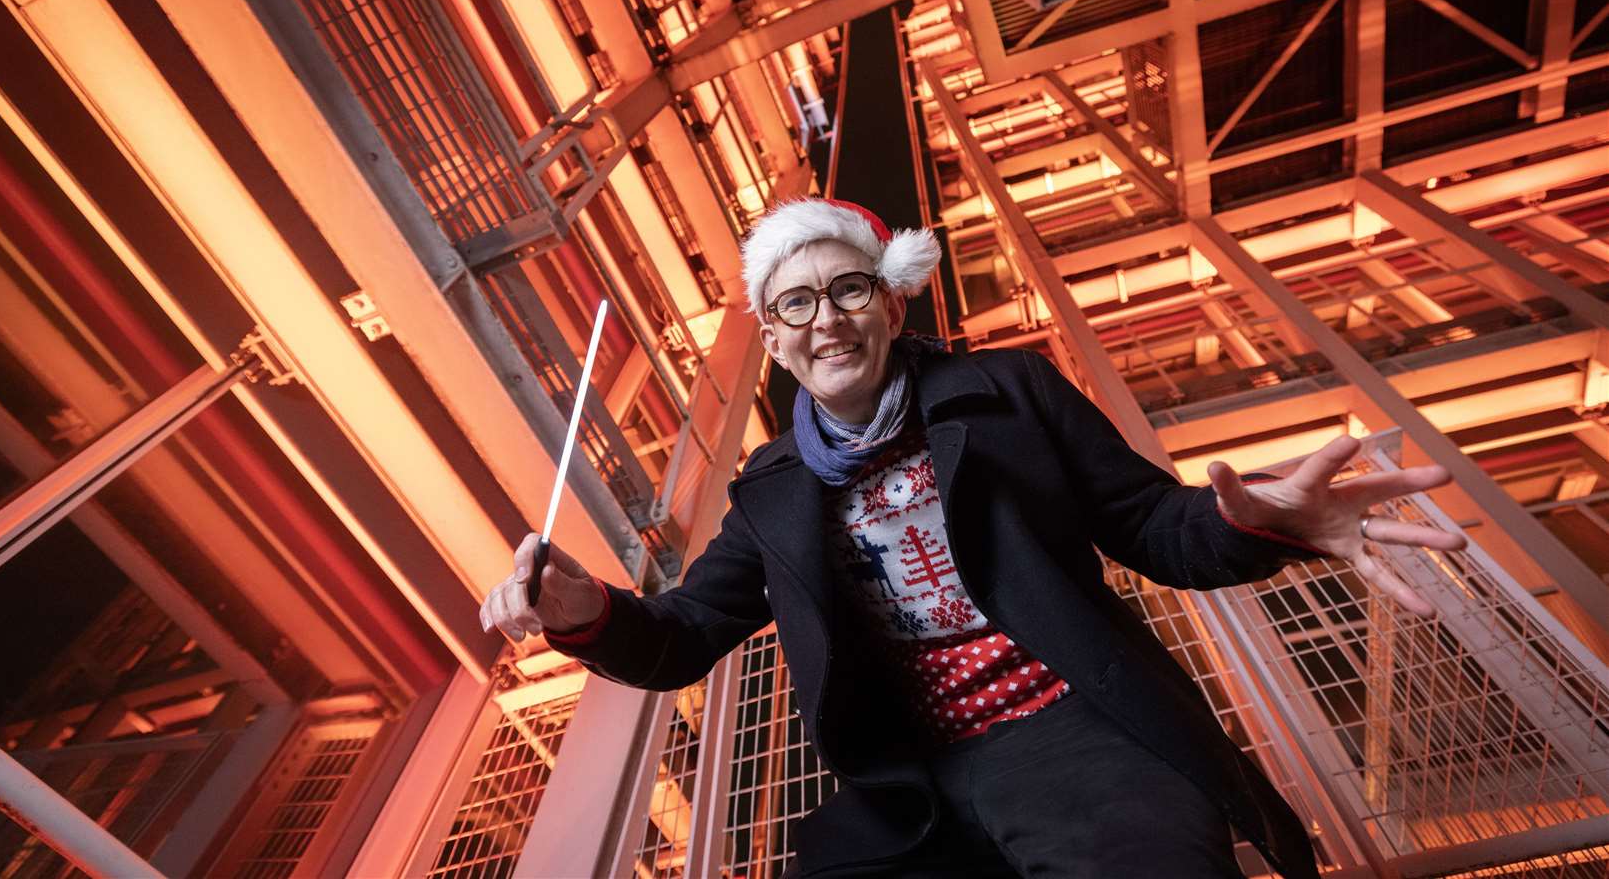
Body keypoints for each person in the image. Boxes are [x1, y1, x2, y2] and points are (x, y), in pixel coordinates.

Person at [480, 198, 1464, 878]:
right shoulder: (768, 494)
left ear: (893, 301)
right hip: (907, 783)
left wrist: (1249, 518)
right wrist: (581, 612)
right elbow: (680, 636)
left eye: (849, 290)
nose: (825, 321)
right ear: (771, 338)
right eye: (795, 304)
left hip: (1077, 737)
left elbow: (1150, 527)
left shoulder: (1006, 394)